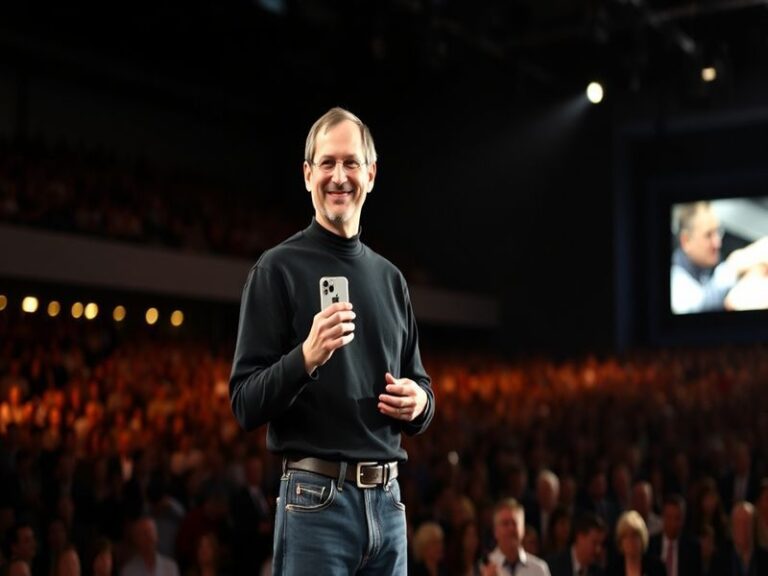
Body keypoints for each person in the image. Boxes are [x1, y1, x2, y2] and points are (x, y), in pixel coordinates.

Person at [228, 106, 435, 575]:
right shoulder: (275, 270)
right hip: (315, 504)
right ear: (307, 175)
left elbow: (422, 385)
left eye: (350, 163)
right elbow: (244, 403)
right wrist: (305, 356)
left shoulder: (391, 279)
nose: (339, 176)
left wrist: (419, 402)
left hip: (389, 503)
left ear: (371, 174)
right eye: (327, 163)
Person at [671, 201, 768, 314]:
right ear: (686, 241)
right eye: (708, 235)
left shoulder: (708, 264)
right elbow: (698, 307)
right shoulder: (675, 280)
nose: (717, 243)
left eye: (717, 231)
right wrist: (733, 266)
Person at [482, 498, 550, 576]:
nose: (511, 529)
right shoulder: (483, 567)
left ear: (523, 529)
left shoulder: (539, 569)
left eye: (515, 523)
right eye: (505, 523)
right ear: (495, 531)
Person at [605, 511, 665, 576]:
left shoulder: (656, 568)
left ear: (642, 538)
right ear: (620, 541)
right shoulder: (612, 570)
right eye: (625, 536)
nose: (630, 540)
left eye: (634, 535)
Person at [547, 512, 606, 576]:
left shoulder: (598, 572)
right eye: (594, 542)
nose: (598, 549)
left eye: (600, 544)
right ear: (580, 537)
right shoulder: (553, 566)